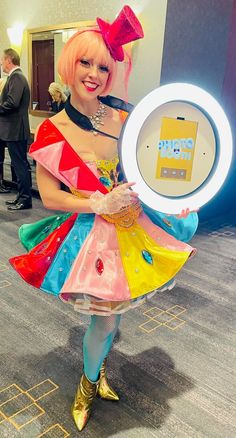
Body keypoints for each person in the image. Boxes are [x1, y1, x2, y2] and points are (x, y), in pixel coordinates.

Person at [9, 6, 198, 432]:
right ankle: (89, 384)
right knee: (106, 318)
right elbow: (53, 198)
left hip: (132, 229)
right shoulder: (52, 130)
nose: (93, 74)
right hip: (90, 236)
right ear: (69, 64)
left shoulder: (123, 118)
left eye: (103, 67)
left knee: (114, 314)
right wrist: (97, 204)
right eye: (85, 62)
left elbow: (146, 173)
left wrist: (174, 198)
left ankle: (96, 373)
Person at [0, 48, 32, 210]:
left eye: (2, 59)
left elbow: (12, 102)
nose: (1, 63)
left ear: (9, 60)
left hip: (16, 129)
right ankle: (21, 196)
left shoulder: (17, 77)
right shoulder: (15, 77)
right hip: (13, 129)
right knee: (18, 164)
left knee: (20, 165)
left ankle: (25, 199)